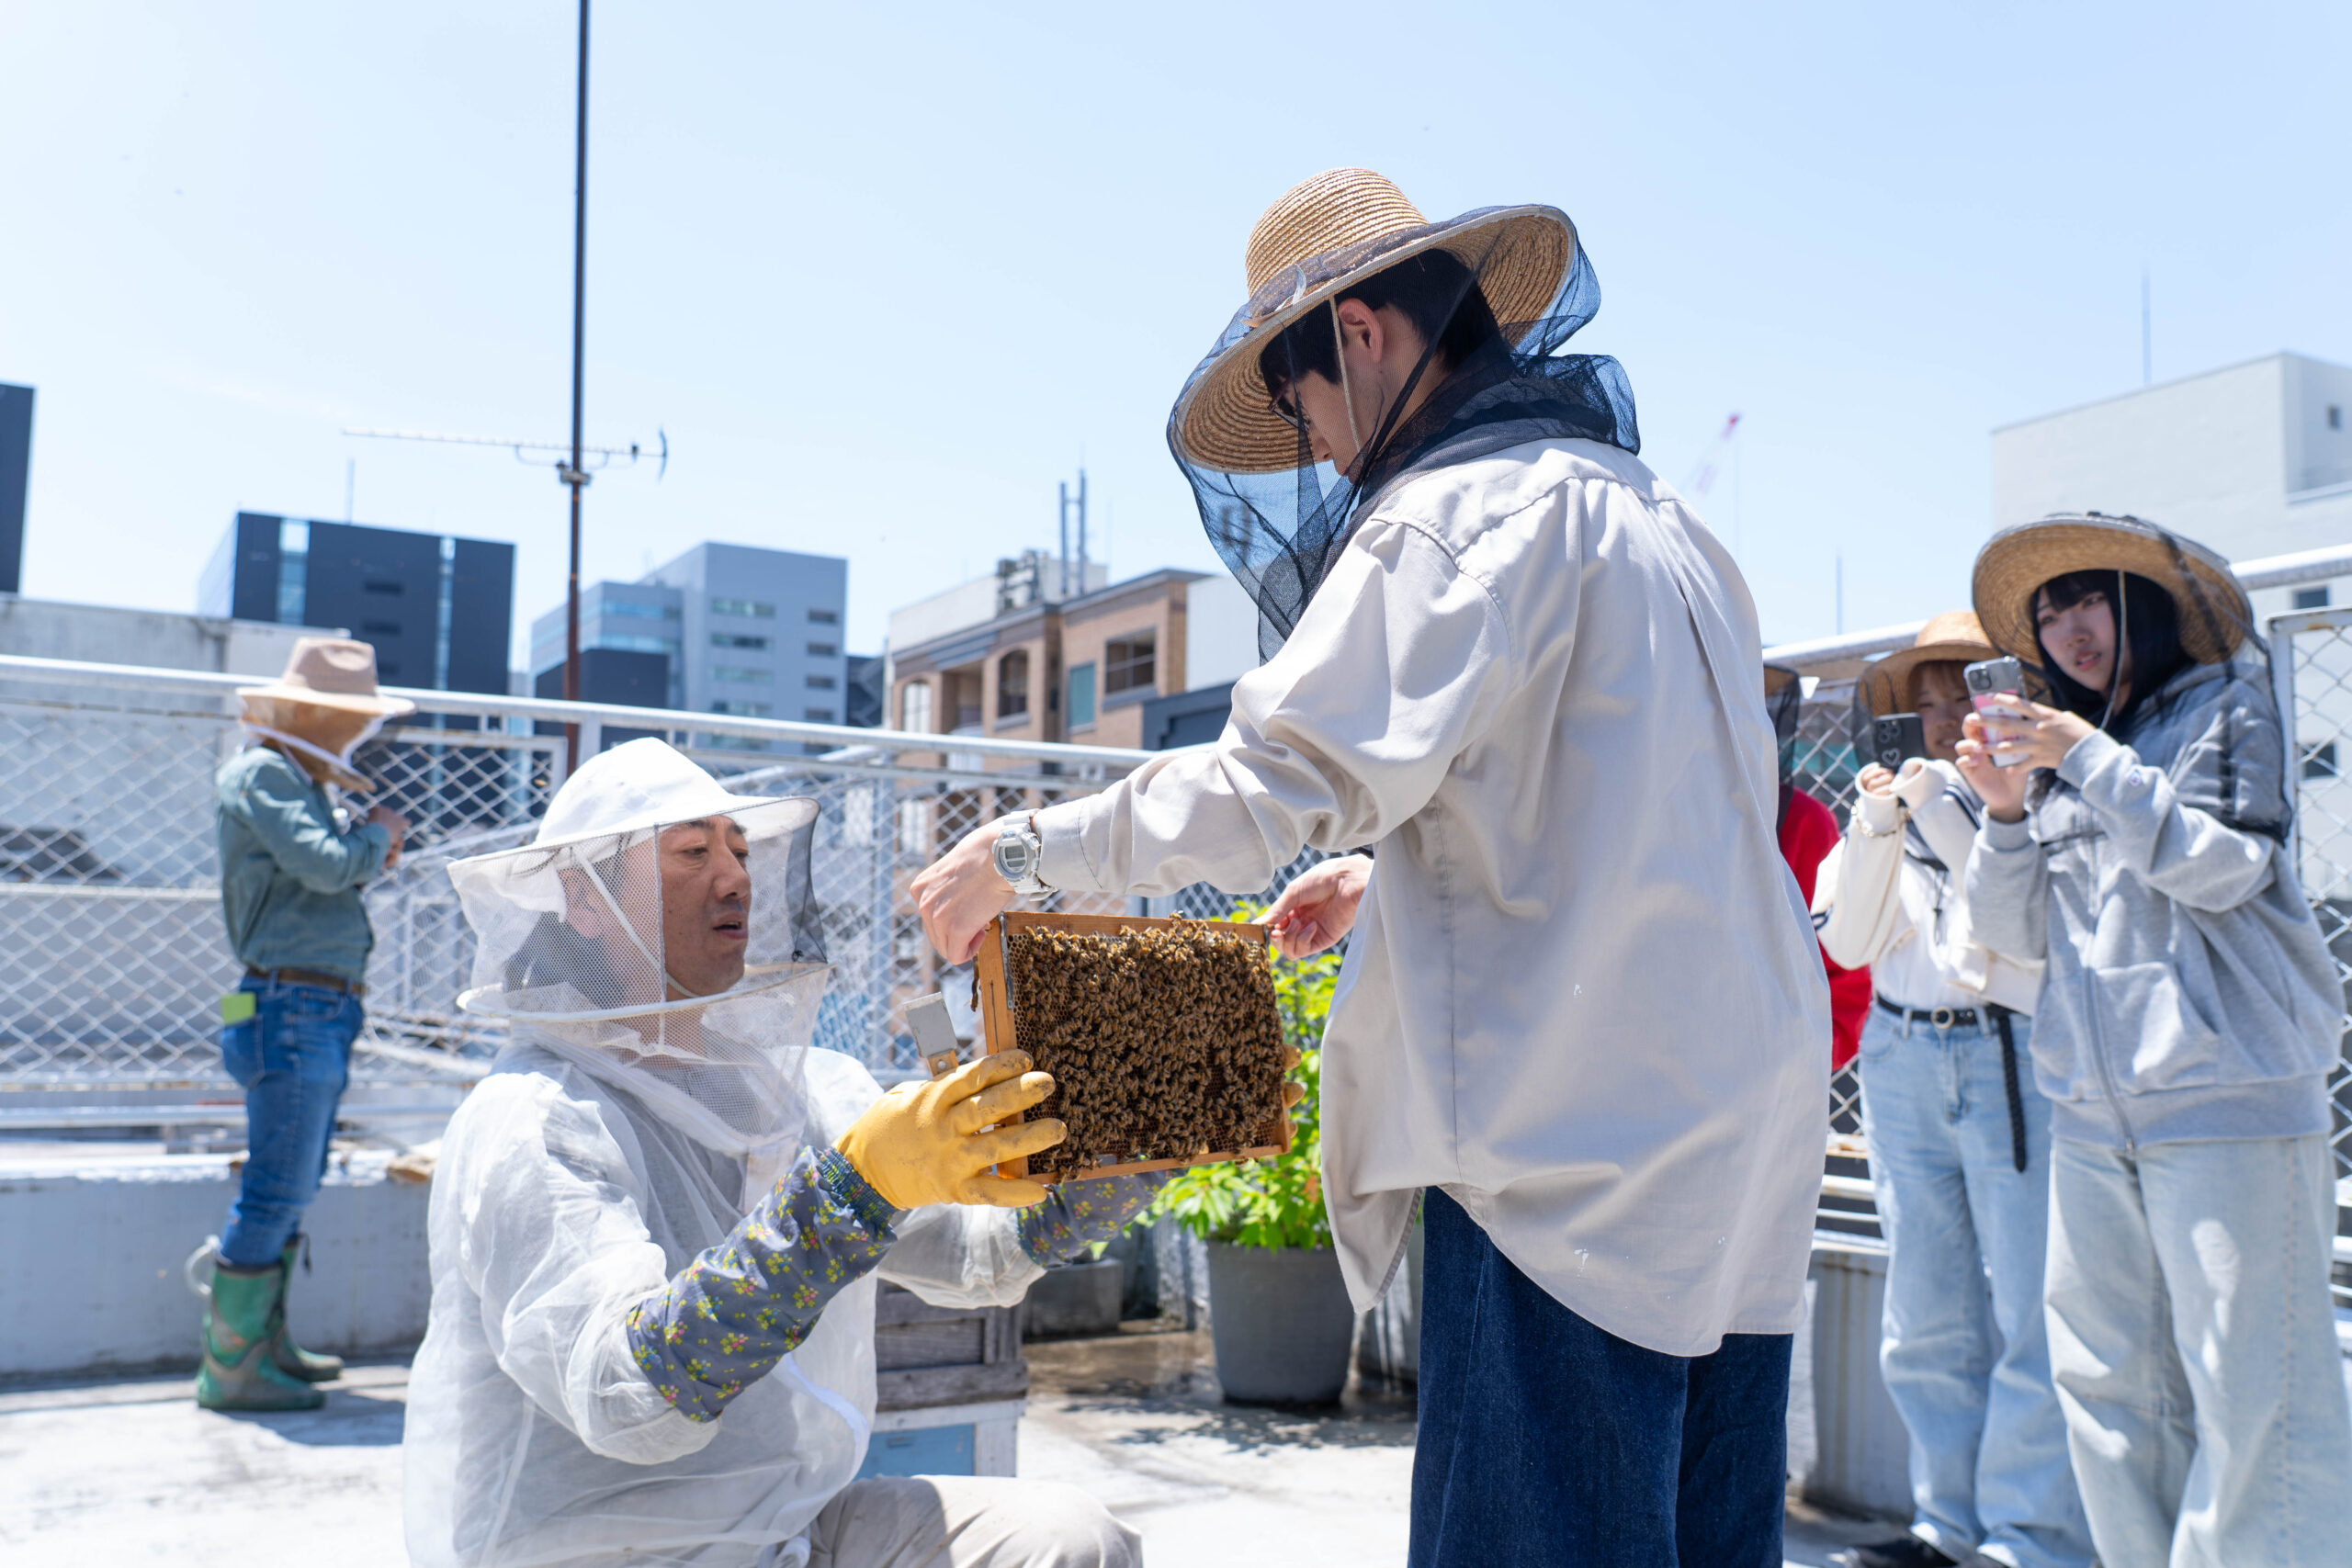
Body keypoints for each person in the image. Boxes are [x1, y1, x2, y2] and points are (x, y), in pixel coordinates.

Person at [910, 168, 1827, 1566]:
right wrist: (1395, 877)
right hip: (1740, 1141)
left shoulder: (1453, 518)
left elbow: (1269, 783)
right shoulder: (1665, 522)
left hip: (1567, 1153)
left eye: (1303, 403)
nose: (1319, 448)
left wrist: (1025, 850)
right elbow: (1635, 816)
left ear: (1362, 334)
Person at [403, 739, 1187, 1568]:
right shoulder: (534, 1120)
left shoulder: (800, 1090)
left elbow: (977, 1253)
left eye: (739, 850)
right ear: (586, 898)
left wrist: (1151, 1143)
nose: (734, 875)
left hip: (788, 1528)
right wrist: (850, 1194)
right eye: (692, 851)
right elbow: (631, 1398)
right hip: (598, 1550)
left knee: (1067, 1539)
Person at [1959, 513, 2352, 1566]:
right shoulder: (2063, 752)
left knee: (2255, 1393)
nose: (2066, 632)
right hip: (2092, 1116)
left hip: (2231, 1099)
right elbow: (2007, 941)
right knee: (2104, 1386)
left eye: (2086, 600)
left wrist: (2088, 759)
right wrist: (2003, 815)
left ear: (2144, 606)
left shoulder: (2225, 705)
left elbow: (2223, 870)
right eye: (2047, 616)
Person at [1811, 614, 2089, 1568]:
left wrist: (1939, 806)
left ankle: (2028, 1535)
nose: (1936, 721)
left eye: (1956, 697)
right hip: (1901, 1053)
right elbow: (1847, 941)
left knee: (2028, 1304)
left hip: (2006, 1050)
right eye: (1920, 704)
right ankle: (1945, 1526)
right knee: (1923, 1310)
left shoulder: (2034, 798)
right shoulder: (1883, 806)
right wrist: (1879, 818)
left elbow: (2008, 935)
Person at [197, 636, 413, 1412]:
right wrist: (378, 835)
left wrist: (366, 841)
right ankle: (232, 1367)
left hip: (307, 1005)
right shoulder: (263, 773)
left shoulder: (289, 777)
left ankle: (262, 1348)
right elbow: (325, 863)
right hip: (291, 1006)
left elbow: (325, 864)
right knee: (276, 1186)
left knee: (290, 1183)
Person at [1768, 665, 1871, 1070]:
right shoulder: (1647, 813)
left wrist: (1807, 1060)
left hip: (1771, 1068)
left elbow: (1839, 966)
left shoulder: (1802, 820)